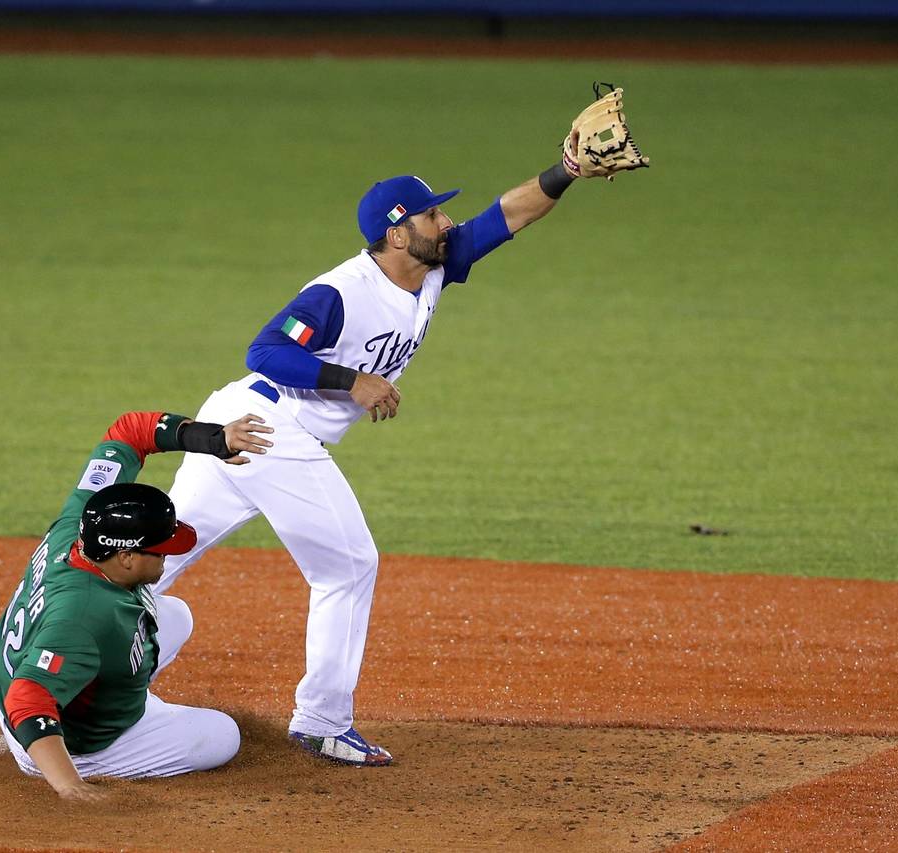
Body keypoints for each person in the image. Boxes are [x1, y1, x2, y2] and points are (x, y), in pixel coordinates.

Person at [153, 92, 649, 766]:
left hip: (245, 426)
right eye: (431, 214)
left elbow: (505, 217)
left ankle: (60, 672)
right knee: (348, 565)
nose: (445, 222)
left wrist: (565, 171)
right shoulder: (339, 291)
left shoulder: (433, 264)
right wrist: (351, 380)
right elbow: (264, 351)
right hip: (267, 425)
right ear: (395, 233)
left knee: (158, 555)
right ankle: (321, 719)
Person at [0, 409, 275, 800]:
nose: (168, 555)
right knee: (222, 736)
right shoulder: (87, 616)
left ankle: (54, 723)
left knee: (175, 615)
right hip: (68, 735)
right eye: (159, 550)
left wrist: (213, 439)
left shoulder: (82, 521)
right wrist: (71, 786)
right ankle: (45, 753)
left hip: (5, 672)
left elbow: (131, 431)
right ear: (125, 557)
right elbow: (27, 697)